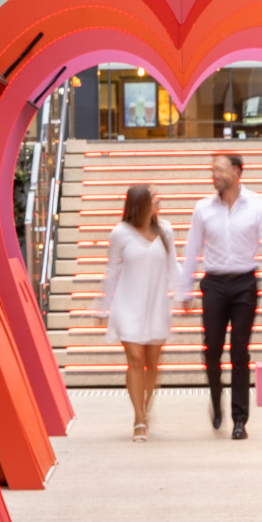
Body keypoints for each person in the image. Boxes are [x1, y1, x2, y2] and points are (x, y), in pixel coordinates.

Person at [178, 152, 262, 439]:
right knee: (211, 350)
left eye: (219, 170)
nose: (214, 175)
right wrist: (185, 288)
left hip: (245, 284)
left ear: (237, 172)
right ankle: (215, 400)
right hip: (214, 285)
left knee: (239, 352)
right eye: (212, 170)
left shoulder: (258, 205)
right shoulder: (203, 208)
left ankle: (239, 419)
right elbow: (192, 248)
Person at [96, 184, 176, 441]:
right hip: (127, 304)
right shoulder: (120, 233)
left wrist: (185, 293)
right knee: (135, 359)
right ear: (140, 205)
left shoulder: (166, 230)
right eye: (154, 200)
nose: (158, 203)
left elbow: (174, 264)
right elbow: (111, 271)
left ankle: (146, 406)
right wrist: (102, 306)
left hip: (155, 305)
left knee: (152, 363)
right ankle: (139, 418)